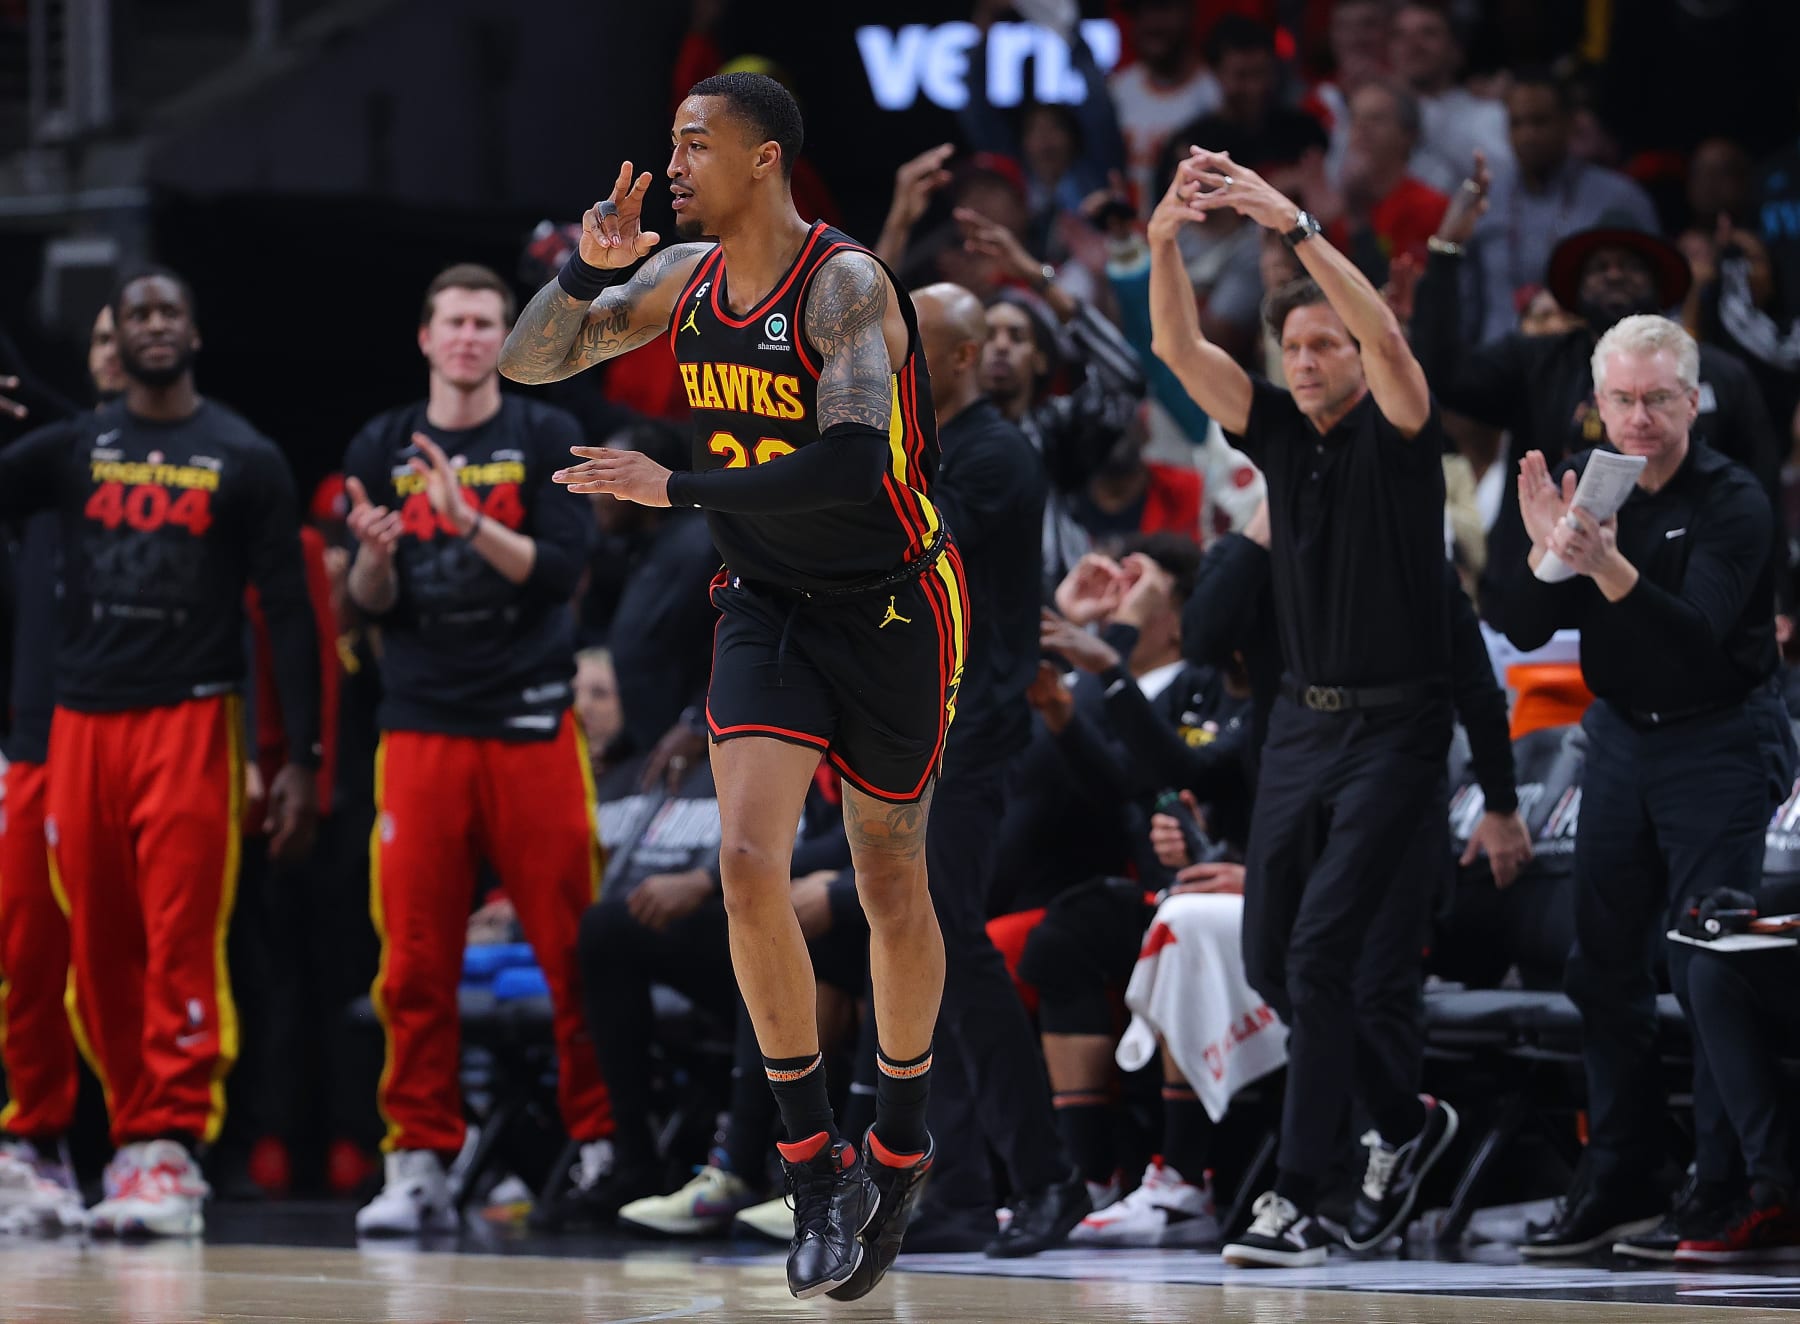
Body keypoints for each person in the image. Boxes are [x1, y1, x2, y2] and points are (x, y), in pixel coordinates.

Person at [500, 72, 962, 1302]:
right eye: (671, 141)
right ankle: (812, 1168)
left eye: (697, 145)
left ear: (768, 160)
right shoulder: (677, 282)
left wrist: (675, 490)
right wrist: (591, 274)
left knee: (886, 882)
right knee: (748, 865)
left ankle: (901, 1144)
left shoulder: (847, 283)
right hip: (764, 606)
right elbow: (526, 358)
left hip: (892, 605)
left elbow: (856, 463)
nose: (676, 163)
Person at [1147, 148, 1459, 1267]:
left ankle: (1303, 1198)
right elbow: (1178, 349)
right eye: (1296, 344)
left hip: (1396, 727)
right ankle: (1403, 1123)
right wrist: (1160, 243)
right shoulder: (1277, 433)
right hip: (1303, 726)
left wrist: (1297, 225)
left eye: (1326, 342)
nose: (1312, 356)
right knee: (1279, 964)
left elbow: (1390, 339)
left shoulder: (1400, 434)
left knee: (1323, 953)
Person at [0, 268, 321, 1236]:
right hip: (79, 725)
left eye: (166, 311)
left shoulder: (244, 455)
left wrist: (298, 753)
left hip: (190, 717)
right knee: (95, 949)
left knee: (181, 937)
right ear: (118, 338)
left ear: (193, 331)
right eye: (134, 314)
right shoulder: (73, 448)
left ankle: (171, 1146)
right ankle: (123, 1137)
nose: (151, 326)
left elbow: (292, 612)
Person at [1503, 315, 1797, 1258]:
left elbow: (1697, 635)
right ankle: (1622, 1173)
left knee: (1706, 963)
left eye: (1657, 399)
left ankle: (1725, 1187)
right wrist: (1547, 548)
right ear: (1598, 402)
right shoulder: (1597, 489)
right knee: (1602, 968)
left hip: (1718, 740)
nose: (1638, 418)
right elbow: (1516, 624)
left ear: (1692, 400)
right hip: (1620, 738)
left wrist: (1605, 561)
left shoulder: (1736, 500)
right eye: (1621, 400)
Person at [341, 263, 606, 1235]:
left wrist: (468, 521)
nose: (465, 336)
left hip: (531, 720)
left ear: (503, 337)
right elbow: (364, 607)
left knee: (572, 950)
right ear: (424, 336)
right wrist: (373, 557)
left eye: (483, 321)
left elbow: (563, 573)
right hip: (419, 724)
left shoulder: (541, 433)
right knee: (412, 963)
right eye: (450, 320)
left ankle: (603, 1140)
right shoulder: (378, 444)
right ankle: (416, 1160)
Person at [904, 283, 1089, 1256]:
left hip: (973, 729)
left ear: (966, 355)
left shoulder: (995, 454)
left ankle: (1049, 1176)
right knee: (922, 957)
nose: (892, 359)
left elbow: (921, 547)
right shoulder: (921, 444)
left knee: (955, 949)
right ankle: (961, 1190)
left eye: (914, 345)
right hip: (911, 727)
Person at [1416, 186, 1781, 628]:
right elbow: (1443, 375)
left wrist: (1776, 601)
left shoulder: (1721, 374)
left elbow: (1762, 494)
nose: (1613, 275)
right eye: (1599, 267)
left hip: (1682, 604)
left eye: (1629, 266)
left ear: (1690, 399)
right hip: (1547, 609)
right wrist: (1446, 250)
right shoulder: (1535, 361)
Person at [0, 302, 127, 1232]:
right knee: (30, 960)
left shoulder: (208, 460)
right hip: (40, 736)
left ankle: (149, 1145)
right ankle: (32, 1145)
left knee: (131, 961)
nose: (122, 347)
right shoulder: (51, 468)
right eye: (105, 337)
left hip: (149, 732)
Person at [1388, 0, 1511, 193]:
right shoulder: (1374, 115)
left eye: (1428, 33)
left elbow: (1502, 180)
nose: (1412, 44)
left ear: (1456, 50)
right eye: (1400, 35)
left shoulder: (1489, 114)